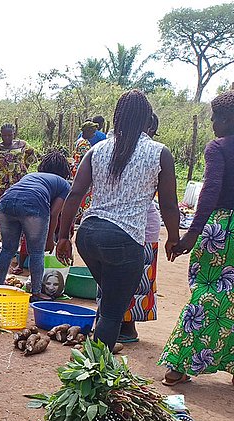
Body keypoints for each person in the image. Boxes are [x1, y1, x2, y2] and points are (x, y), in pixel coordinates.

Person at [56, 89, 181, 350]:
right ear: (147, 120)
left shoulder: (97, 149)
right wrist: (173, 237)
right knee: (114, 310)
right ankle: (94, 374)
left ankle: (92, 359)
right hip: (124, 240)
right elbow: (169, 203)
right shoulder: (160, 153)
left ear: (117, 117)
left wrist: (64, 236)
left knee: (110, 300)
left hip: (89, 236)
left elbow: (75, 193)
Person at [159, 90, 234, 387]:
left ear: (227, 119)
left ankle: (180, 364)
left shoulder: (218, 148)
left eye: (215, 117)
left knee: (206, 292)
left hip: (223, 229)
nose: (213, 122)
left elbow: (211, 190)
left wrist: (192, 233)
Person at [0, 151, 72, 301]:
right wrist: (50, 239)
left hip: (6, 203)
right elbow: (54, 213)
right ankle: (36, 293)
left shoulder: (31, 176)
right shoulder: (64, 185)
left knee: (7, 249)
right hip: (33, 205)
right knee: (36, 252)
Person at [119, 113, 163, 343]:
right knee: (122, 277)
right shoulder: (119, 149)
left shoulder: (154, 152)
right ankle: (117, 323)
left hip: (144, 225)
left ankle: (128, 328)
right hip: (126, 224)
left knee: (137, 279)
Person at [0, 123, 38, 242]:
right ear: (0, 135)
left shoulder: (22, 145)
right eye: (4, 135)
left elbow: (31, 156)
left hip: (20, 184)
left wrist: (22, 167)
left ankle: (20, 244)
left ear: (14, 134)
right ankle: (1, 243)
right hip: (3, 185)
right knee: (2, 213)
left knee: (21, 212)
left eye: (10, 135)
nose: (7, 138)